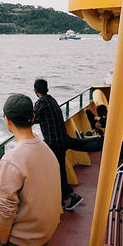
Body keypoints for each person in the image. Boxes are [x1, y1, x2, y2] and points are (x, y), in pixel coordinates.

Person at [0, 93, 61, 246]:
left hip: (22, 242)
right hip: (43, 235)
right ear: (33, 117)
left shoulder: (12, 159)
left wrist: (3, 242)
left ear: (7, 121)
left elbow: (6, 209)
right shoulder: (46, 149)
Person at [33, 79, 83, 211]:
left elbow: (32, 117)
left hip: (53, 142)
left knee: (53, 170)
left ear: (35, 91)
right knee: (60, 169)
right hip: (62, 140)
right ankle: (61, 199)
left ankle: (73, 196)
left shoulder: (41, 102)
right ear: (47, 89)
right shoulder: (51, 100)